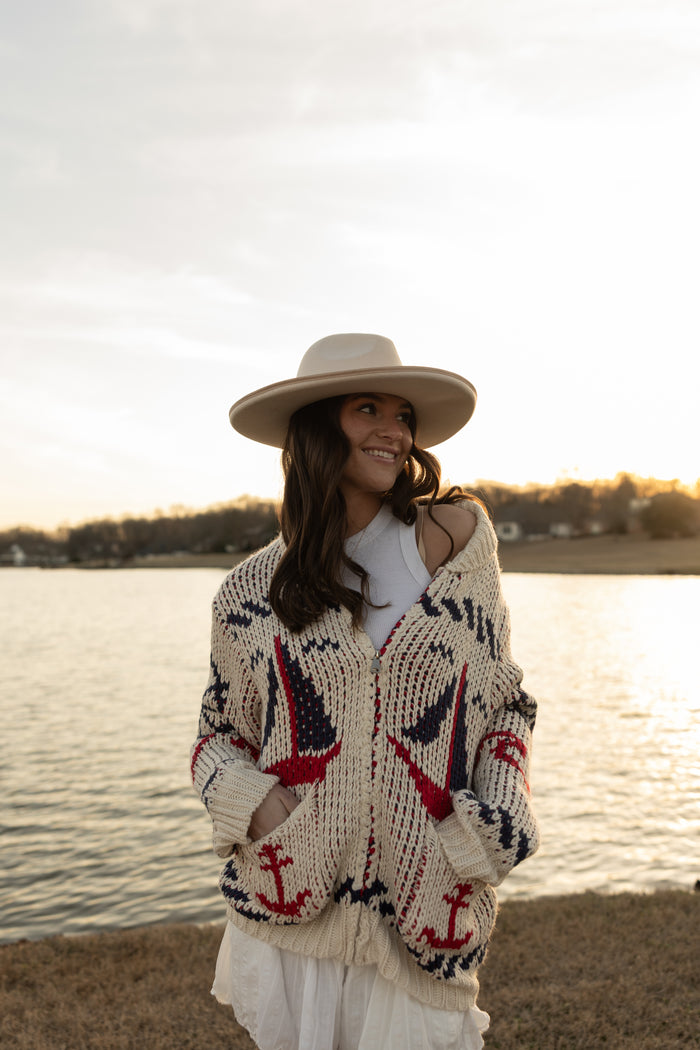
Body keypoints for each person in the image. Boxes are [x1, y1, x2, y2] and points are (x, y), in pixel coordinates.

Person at [191, 333, 540, 1050]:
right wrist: (254, 803)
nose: (395, 431)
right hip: (294, 904)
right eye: (368, 409)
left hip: (427, 895)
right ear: (318, 427)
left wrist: (497, 819)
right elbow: (219, 732)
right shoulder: (251, 592)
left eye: (403, 415)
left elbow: (505, 702)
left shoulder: (456, 539)